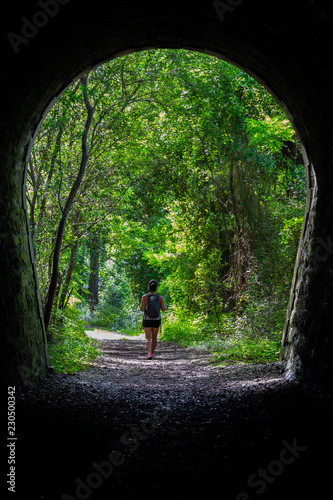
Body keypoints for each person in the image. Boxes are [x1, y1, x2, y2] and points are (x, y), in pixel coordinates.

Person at [141, 279, 165, 359]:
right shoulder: (160, 297)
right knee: (154, 337)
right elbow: (163, 309)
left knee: (148, 338)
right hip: (156, 319)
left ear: (148, 286)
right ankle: (152, 353)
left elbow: (142, 308)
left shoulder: (145, 297)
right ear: (156, 287)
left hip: (147, 319)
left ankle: (149, 353)